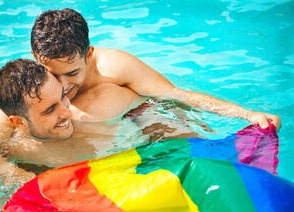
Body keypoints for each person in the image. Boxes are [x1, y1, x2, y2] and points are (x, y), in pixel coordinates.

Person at [27, 8, 280, 130]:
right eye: (51, 73)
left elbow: (175, 96)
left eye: (72, 73)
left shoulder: (114, 67)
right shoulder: (26, 79)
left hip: (137, 125)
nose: (61, 84)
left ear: (89, 54)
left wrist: (246, 114)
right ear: (35, 58)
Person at [0, 59, 148, 185]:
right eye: (50, 110)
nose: (67, 112)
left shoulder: (102, 108)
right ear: (19, 123)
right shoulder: (14, 146)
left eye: (63, 96)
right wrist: (12, 174)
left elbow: (156, 109)